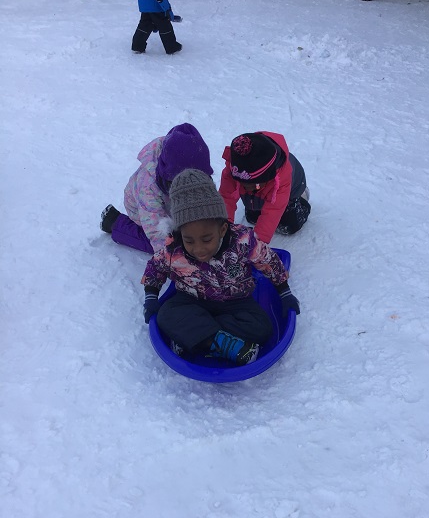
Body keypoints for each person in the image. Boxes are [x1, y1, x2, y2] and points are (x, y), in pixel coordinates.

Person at [141, 169, 301, 366]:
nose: (198, 249)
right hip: (192, 300)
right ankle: (220, 343)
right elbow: (155, 267)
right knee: (166, 314)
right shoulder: (174, 248)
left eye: (207, 239)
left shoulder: (242, 240)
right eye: (189, 240)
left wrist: (284, 292)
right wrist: (150, 296)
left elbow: (268, 260)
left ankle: (195, 338)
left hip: (236, 302)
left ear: (222, 229)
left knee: (262, 327)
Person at [100, 123, 213, 254]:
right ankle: (115, 222)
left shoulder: (191, 167)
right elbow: (156, 232)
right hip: (144, 210)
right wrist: (176, 259)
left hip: (173, 206)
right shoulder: (148, 187)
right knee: (165, 242)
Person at [218, 131, 311, 245]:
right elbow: (226, 198)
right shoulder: (233, 171)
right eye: (242, 184)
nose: (248, 189)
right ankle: (256, 195)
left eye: (254, 185)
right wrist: (223, 230)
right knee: (252, 218)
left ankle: (302, 199)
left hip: (291, 190)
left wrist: (256, 245)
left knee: (290, 225)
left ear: (268, 177)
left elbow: (273, 211)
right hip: (261, 192)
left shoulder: (281, 178)